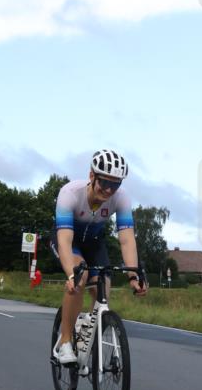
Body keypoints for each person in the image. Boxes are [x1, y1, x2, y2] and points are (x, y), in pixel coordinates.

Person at [51, 149, 147, 364]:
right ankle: (65, 341)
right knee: (80, 277)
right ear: (92, 176)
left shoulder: (121, 198)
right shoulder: (70, 193)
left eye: (115, 184)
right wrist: (71, 275)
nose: (109, 189)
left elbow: (127, 239)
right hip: (69, 239)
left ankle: (87, 333)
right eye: (104, 182)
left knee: (102, 285)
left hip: (94, 242)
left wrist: (133, 276)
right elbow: (65, 240)